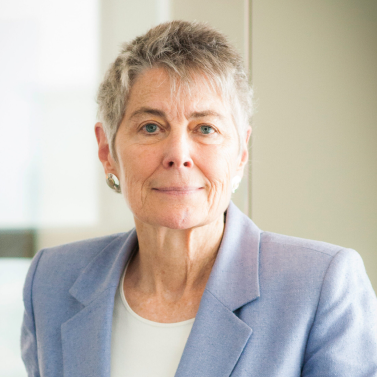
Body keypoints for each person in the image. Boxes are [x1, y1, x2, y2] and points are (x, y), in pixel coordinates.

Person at [21, 20, 377, 377]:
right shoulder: (51, 282)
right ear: (106, 150)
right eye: (150, 127)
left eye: (205, 128)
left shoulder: (321, 285)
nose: (178, 154)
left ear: (241, 153)